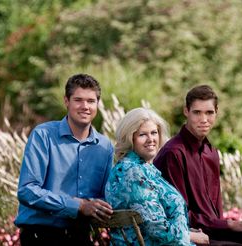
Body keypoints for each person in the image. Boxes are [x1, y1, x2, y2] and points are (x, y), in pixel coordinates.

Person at [154, 85, 242, 246]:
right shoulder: (173, 153)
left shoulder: (210, 152)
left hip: (214, 229)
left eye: (209, 113)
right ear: (186, 111)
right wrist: (229, 225)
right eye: (197, 112)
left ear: (216, 112)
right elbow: (178, 214)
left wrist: (227, 225)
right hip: (190, 234)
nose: (204, 119)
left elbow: (215, 207)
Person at [14, 74, 114, 245]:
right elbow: (27, 190)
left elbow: (105, 196)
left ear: (98, 104)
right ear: (66, 101)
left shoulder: (105, 146)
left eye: (91, 101)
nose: (85, 106)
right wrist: (78, 206)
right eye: (78, 100)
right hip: (40, 236)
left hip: (80, 237)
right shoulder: (43, 135)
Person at [105, 107, 209, 246]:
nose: (151, 139)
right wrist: (192, 236)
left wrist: (189, 232)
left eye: (154, 133)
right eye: (142, 135)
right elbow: (157, 228)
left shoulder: (144, 168)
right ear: (130, 138)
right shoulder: (132, 172)